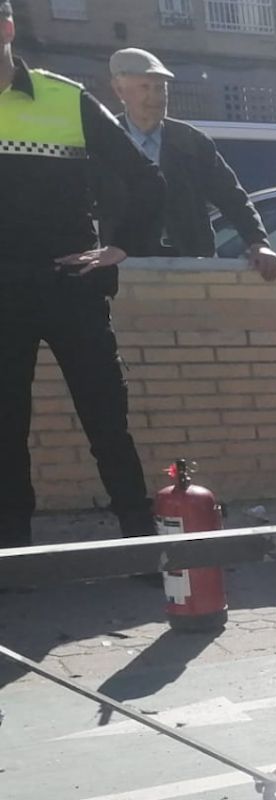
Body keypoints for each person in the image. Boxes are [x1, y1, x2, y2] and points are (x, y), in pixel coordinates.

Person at [0, 1, 166, 549]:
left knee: (107, 423)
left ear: (7, 27)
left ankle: (140, 545)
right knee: (5, 431)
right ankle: (14, 558)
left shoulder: (64, 97)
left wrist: (120, 246)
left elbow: (145, 178)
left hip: (71, 288)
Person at [105, 48, 276, 281]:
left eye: (160, 88)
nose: (155, 97)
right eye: (145, 87)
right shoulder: (104, 141)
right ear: (119, 90)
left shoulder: (192, 142)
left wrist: (258, 243)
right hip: (128, 270)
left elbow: (233, 198)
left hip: (192, 266)